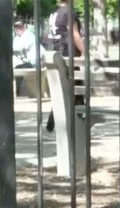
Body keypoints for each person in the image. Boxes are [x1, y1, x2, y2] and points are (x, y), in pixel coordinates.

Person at [46, 0, 86, 132]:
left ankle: (52, 122)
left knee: (62, 88)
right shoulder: (69, 13)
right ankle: (79, 120)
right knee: (76, 88)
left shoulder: (54, 13)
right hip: (69, 52)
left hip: (58, 51)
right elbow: (74, 33)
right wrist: (85, 52)